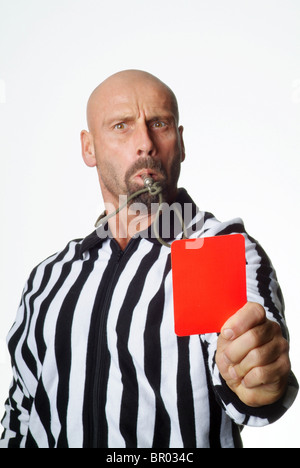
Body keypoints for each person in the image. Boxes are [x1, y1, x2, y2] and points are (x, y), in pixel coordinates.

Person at [0, 70, 298, 449]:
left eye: (159, 123)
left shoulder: (215, 249)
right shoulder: (49, 277)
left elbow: (252, 369)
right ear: (88, 148)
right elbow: (21, 414)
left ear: (181, 142)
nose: (145, 143)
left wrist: (259, 376)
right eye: (122, 126)